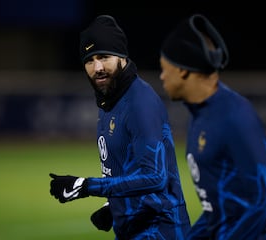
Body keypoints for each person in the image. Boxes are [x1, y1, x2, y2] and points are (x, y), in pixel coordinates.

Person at [49, 15, 191, 239]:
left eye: (104, 57)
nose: (97, 68)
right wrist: (113, 206)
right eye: (89, 60)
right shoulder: (111, 100)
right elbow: (129, 168)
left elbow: (155, 177)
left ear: (122, 56)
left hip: (159, 230)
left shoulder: (139, 103)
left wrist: (86, 186)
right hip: (134, 228)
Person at [159, 13, 266, 239]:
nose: (162, 77)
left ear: (182, 70)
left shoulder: (235, 114)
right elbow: (218, 212)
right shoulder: (199, 115)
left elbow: (264, 201)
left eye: (165, 68)